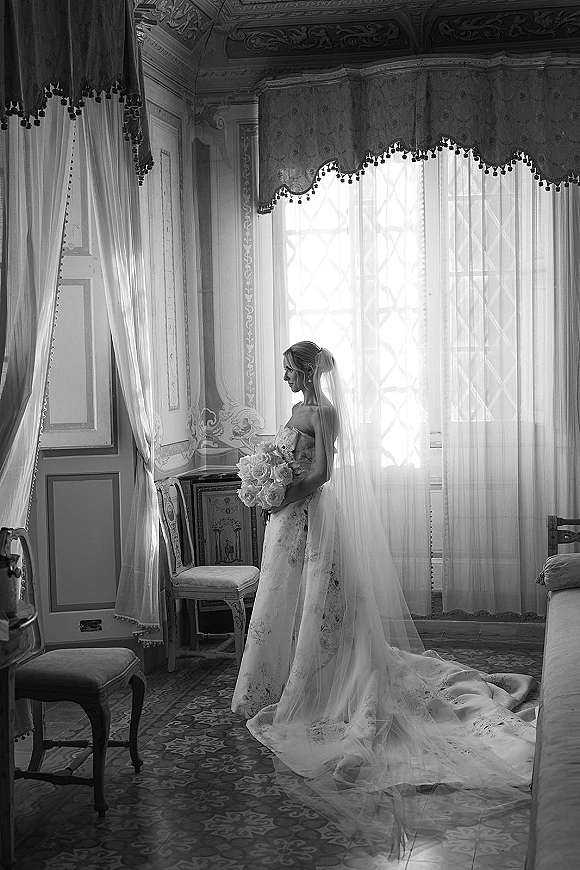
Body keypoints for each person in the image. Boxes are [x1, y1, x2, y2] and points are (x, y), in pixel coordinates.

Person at [231, 340, 537, 855]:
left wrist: (282, 492)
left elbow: (322, 473)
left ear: (305, 369)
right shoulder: (296, 411)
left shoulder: (325, 413)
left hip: (309, 513)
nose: (284, 378)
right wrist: (270, 489)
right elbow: (286, 460)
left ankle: (323, 683)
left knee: (323, 604)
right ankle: (275, 681)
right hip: (284, 519)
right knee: (283, 600)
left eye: (288, 369)